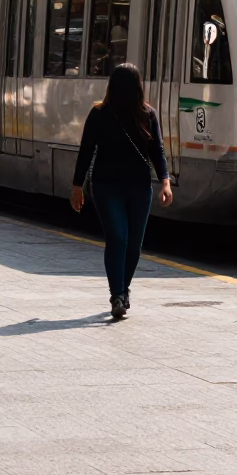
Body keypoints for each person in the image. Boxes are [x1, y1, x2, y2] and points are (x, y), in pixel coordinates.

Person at [69, 63, 173, 318]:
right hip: (107, 186)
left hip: (139, 187)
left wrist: (165, 180)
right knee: (118, 238)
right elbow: (87, 150)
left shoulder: (147, 114)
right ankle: (117, 294)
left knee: (133, 243)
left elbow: (156, 150)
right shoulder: (100, 114)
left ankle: (123, 289)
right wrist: (77, 185)